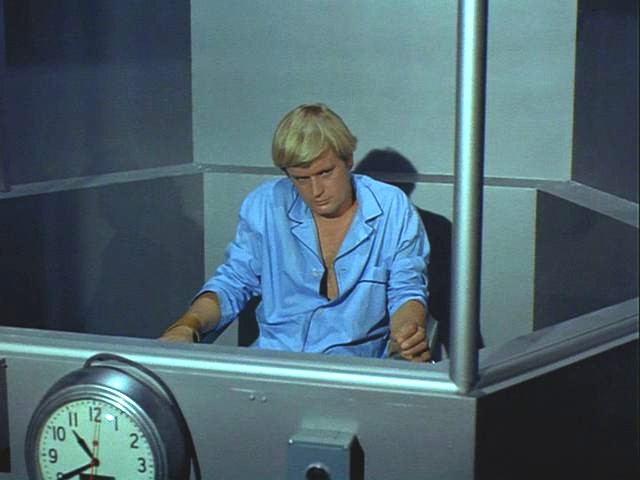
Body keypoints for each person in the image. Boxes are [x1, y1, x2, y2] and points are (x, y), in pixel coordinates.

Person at [161, 103, 431, 361]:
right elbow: (233, 283)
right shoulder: (266, 204)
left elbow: (406, 290)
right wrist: (186, 326)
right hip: (275, 362)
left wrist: (407, 335)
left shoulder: (392, 207)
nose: (316, 191)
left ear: (348, 160)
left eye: (325, 173)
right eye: (301, 179)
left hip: (353, 369)